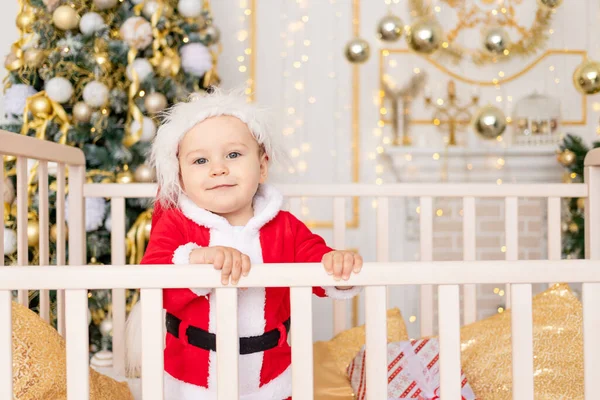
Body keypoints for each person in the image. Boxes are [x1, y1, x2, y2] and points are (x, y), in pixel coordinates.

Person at [125, 87, 364, 400]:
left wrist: (338, 267)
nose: (218, 168)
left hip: (271, 378)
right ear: (181, 178)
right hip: (191, 379)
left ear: (262, 166)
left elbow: (317, 262)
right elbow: (153, 275)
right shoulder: (177, 224)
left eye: (233, 155)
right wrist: (197, 258)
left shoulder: (284, 226)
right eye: (200, 160)